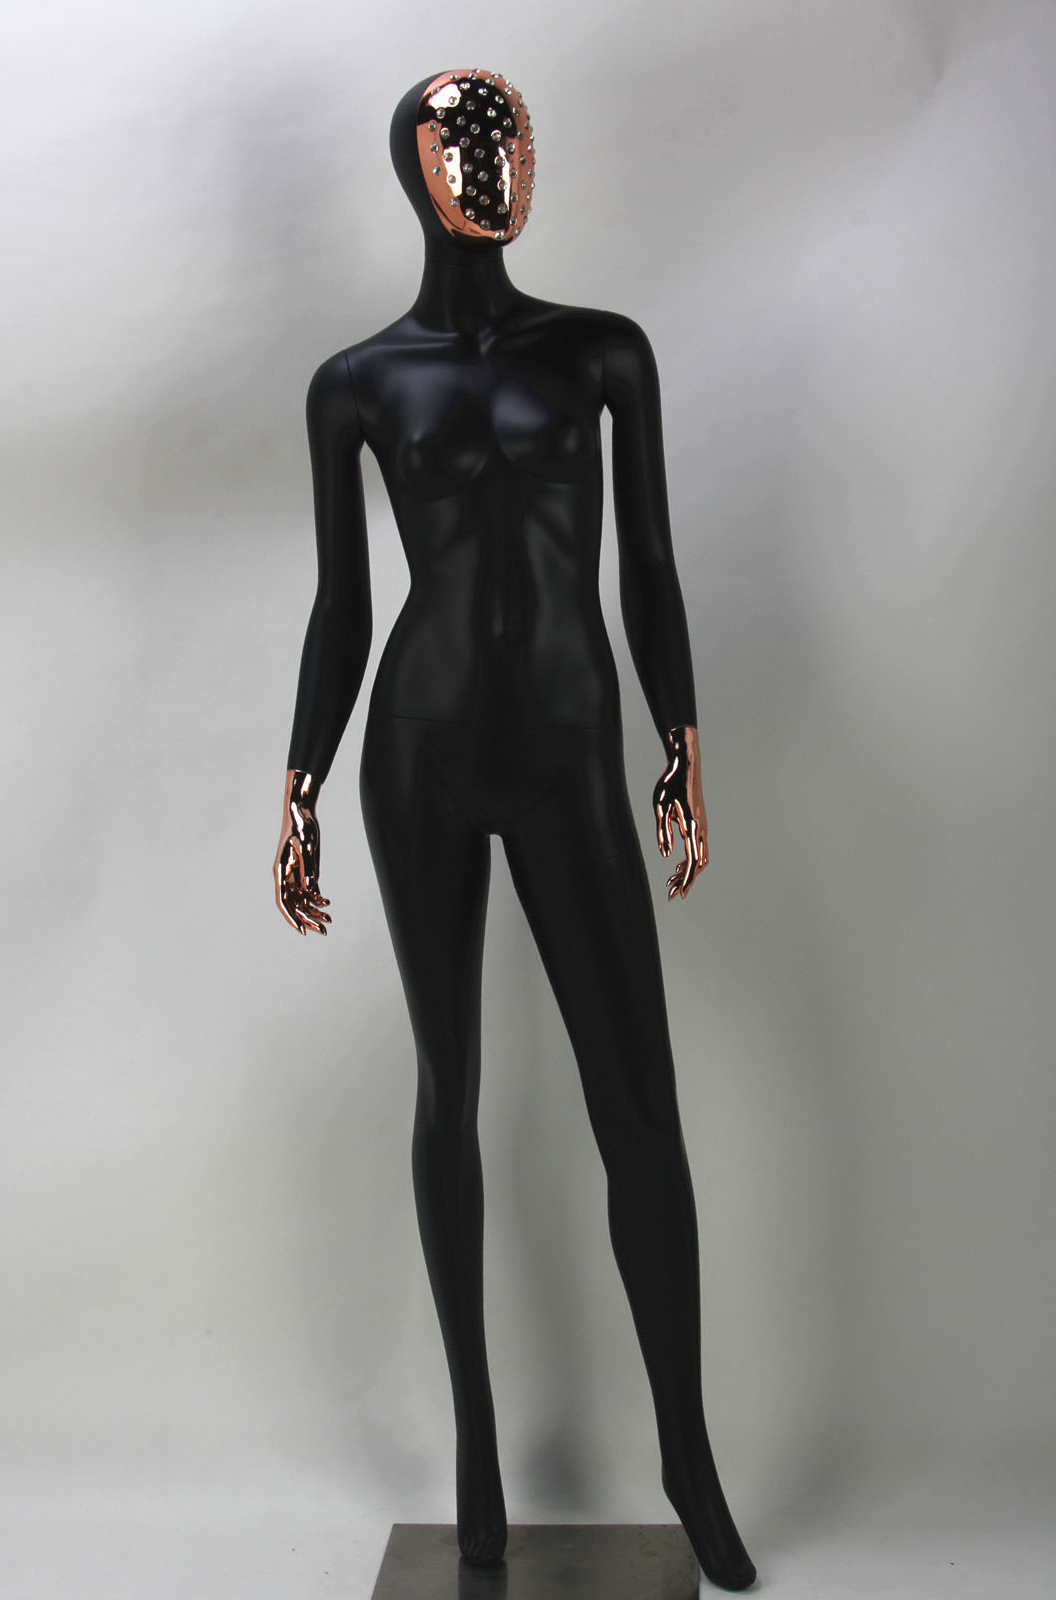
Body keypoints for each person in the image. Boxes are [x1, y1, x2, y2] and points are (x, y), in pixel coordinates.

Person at [274, 68, 757, 1592]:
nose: (498, 158)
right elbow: (345, 605)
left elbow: (649, 565)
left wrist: (681, 741)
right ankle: (475, 1454)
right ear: (414, 169)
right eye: (467, 137)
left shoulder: (601, 352)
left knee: (639, 1106)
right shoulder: (357, 383)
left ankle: (686, 1455)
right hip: (418, 755)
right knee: (451, 1093)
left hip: (566, 750)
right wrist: (297, 782)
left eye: (513, 132)